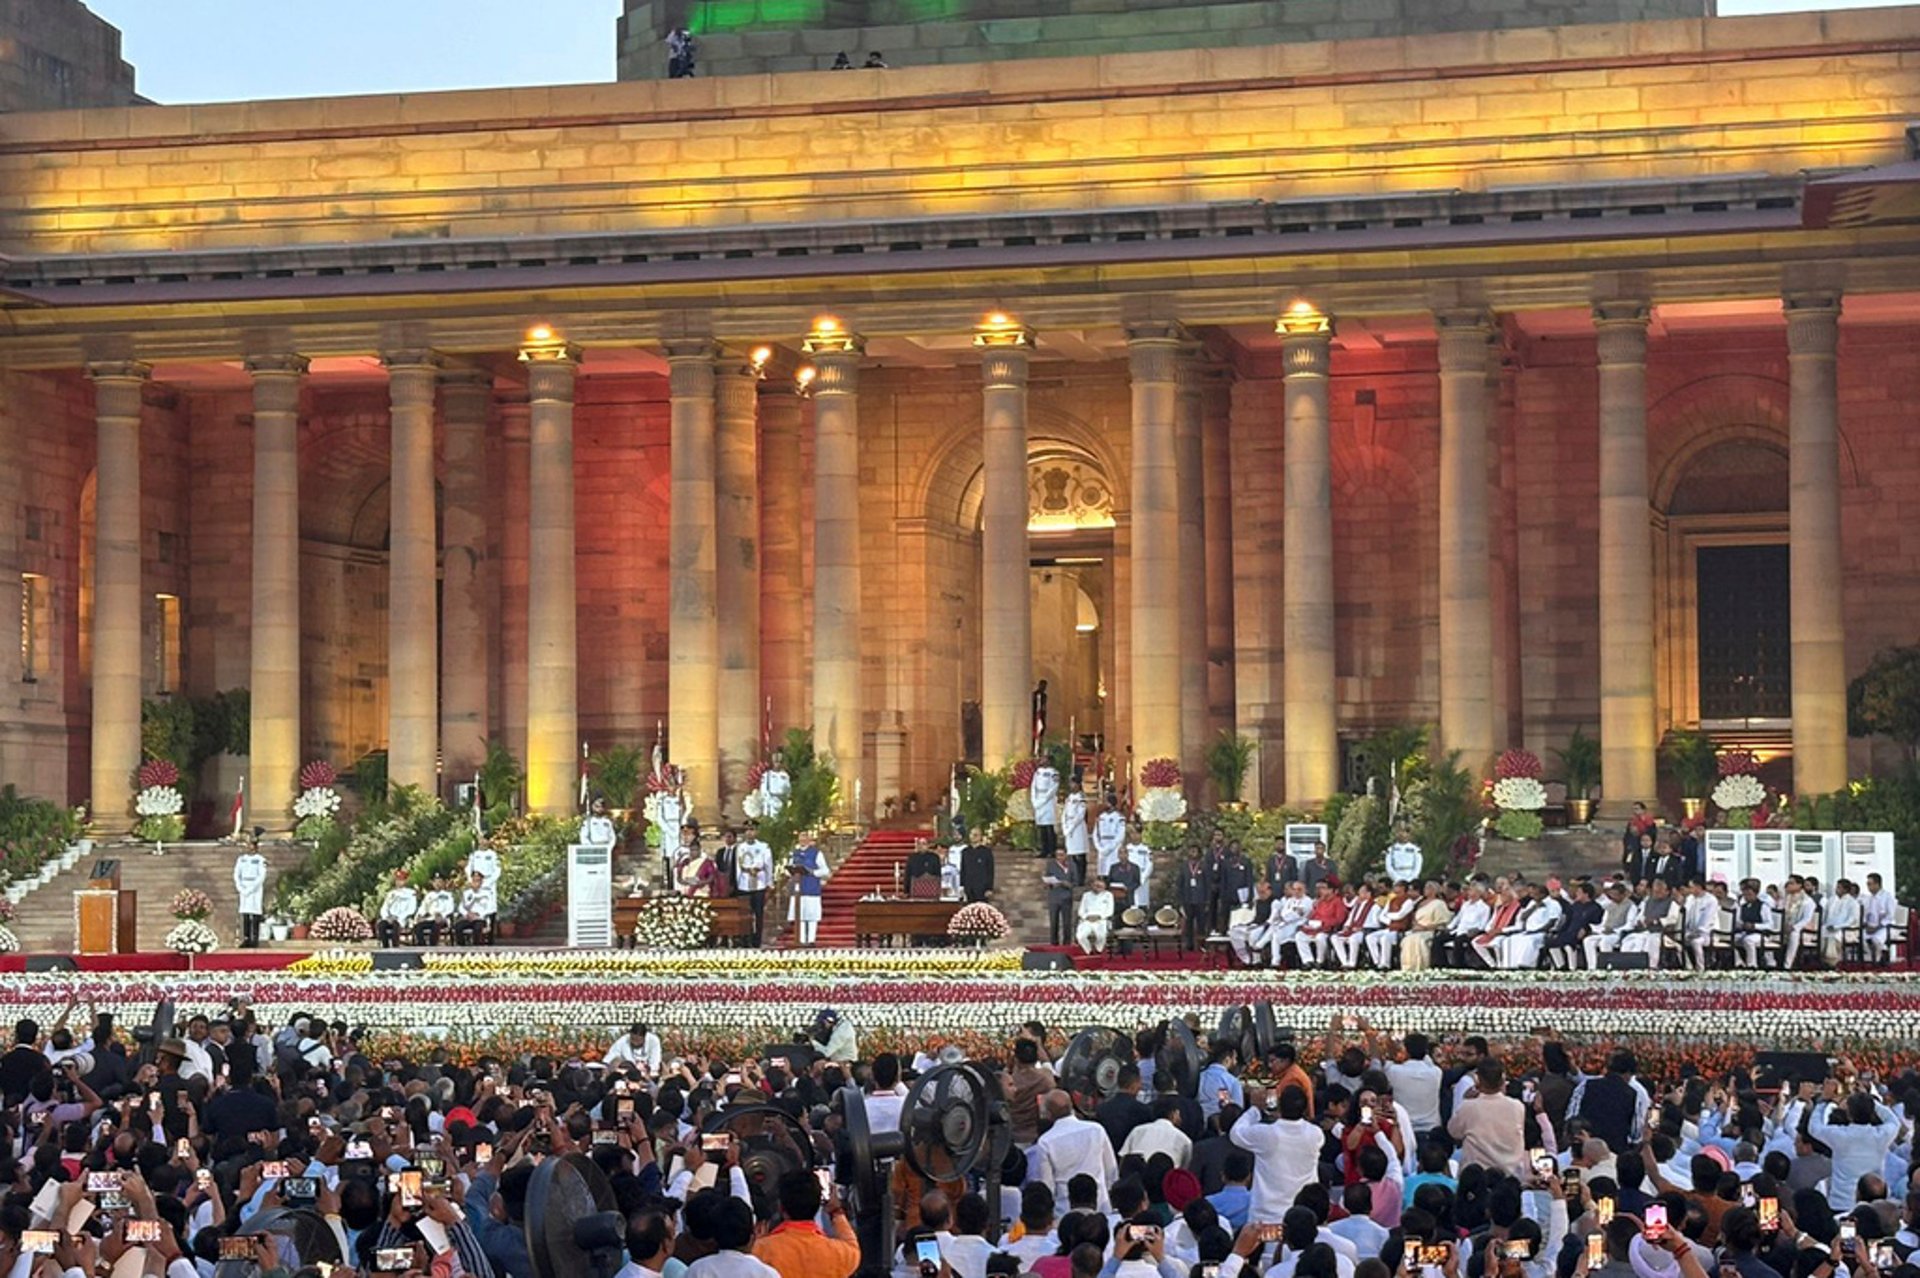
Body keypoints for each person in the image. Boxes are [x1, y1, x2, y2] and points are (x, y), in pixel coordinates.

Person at [752, 1169, 860, 1278]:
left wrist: (755, 1243)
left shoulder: (762, 1250)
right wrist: (836, 1212)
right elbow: (852, 1246)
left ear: (781, 1207)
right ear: (818, 1205)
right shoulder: (839, 1254)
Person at [735, 821, 774, 944]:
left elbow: (768, 865)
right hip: (744, 883)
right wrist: (737, 882)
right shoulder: (740, 847)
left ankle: (757, 939)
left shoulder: (763, 846)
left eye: (752, 830)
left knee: (758, 913)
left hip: (759, 882)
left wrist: (769, 882)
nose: (749, 832)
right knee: (745, 913)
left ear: (756, 832)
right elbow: (737, 866)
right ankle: (745, 938)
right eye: (747, 830)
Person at [787, 831, 828, 946]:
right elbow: (789, 869)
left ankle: (811, 940)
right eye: (801, 837)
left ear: (809, 840)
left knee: (811, 915)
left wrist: (813, 872)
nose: (803, 840)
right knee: (800, 915)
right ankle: (800, 940)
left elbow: (825, 871)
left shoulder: (816, 853)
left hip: (811, 887)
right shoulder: (794, 853)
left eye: (806, 838)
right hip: (798, 888)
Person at [233, 832, 268, 949]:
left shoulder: (260, 860)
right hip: (244, 887)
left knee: (255, 913)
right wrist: (240, 887)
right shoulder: (241, 859)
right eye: (248, 845)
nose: (249, 847)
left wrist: (251, 888)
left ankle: (254, 938)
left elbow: (261, 876)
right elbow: (236, 874)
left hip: (255, 889)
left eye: (252, 845)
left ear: (256, 846)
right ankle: (247, 938)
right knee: (245, 913)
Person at [1820, 878, 1862, 967]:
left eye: (1838, 887)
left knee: (1835, 934)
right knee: (1822, 930)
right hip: (1830, 927)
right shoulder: (1831, 900)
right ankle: (1824, 960)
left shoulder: (1852, 903)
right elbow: (1825, 915)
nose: (1836, 889)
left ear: (1845, 890)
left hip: (1847, 930)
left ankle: (1833, 962)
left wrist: (1837, 926)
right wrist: (1826, 925)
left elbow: (1852, 920)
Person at [375, 868, 419, 948]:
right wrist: (386, 917)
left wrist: (399, 917)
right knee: (381, 925)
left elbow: (411, 909)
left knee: (396, 925)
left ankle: (396, 947)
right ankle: (385, 947)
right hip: (390, 918)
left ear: (405, 881)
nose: (399, 882)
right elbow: (384, 907)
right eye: (397, 880)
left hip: (402, 919)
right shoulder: (391, 893)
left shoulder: (410, 893)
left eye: (401, 880)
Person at [454, 869, 496, 945]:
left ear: (481, 882)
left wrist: (478, 915)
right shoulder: (467, 893)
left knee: (477, 928)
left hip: (480, 919)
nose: (475, 883)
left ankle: (476, 949)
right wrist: (467, 914)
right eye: (474, 880)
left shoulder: (487, 894)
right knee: (458, 927)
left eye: (478, 881)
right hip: (468, 917)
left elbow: (490, 908)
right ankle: (462, 948)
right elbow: (461, 907)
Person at [1043, 848, 1076, 947]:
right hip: (1054, 897)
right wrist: (1049, 884)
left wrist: (1067, 884)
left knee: (1067, 922)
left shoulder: (1072, 866)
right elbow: (1047, 880)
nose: (1059, 857)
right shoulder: (1051, 866)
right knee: (1054, 922)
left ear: (1066, 855)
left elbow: (1075, 882)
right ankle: (1054, 943)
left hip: (1066, 897)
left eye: (1062, 855)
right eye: (1057, 855)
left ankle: (1067, 943)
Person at [1861, 872, 1896, 963]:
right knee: (1861, 938)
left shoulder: (1887, 897)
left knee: (1875, 940)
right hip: (1871, 926)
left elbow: (1890, 916)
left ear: (1877, 884)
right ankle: (1877, 956)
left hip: (1884, 927)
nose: (1868, 887)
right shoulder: (1868, 898)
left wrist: (1877, 927)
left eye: (1870, 884)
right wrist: (1866, 924)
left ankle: (1880, 957)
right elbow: (1865, 914)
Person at [1075, 876, 1115, 955]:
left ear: (1104, 886)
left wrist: (1099, 916)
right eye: (1096, 886)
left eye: (1100, 886)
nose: (1098, 888)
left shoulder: (1108, 895)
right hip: (1087, 920)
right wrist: (1086, 917)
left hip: (1101, 920)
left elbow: (1110, 911)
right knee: (1080, 936)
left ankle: (1098, 950)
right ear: (1092, 886)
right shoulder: (1086, 895)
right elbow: (1081, 911)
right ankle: (1089, 951)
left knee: (1101, 936)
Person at [414, 873, 456, 946]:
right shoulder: (429, 895)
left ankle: (432, 946)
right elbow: (423, 907)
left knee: (436, 925)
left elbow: (450, 908)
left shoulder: (448, 895)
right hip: (430, 918)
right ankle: (422, 946)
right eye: (435, 882)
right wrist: (419, 915)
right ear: (433, 883)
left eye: (440, 882)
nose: (437, 884)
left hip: (443, 919)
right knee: (418, 926)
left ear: (443, 883)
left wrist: (442, 915)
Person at [1032, 760, 1062, 861]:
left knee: (1049, 826)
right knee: (1042, 827)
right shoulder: (1037, 772)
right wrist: (1034, 800)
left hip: (1048, 801)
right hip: (1038, 799)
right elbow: (1033, 786)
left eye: (1045, 759)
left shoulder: (1054, 773)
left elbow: (1053, 788)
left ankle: (1052, 850)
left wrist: (1044, 799)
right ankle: (1044, 850)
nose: (1042, 761)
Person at [1062, 789, 1090, 885]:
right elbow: (1064, 812)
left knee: (1080, 855)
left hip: (1077, 828)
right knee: (1071, 855)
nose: (1071, 786)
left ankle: (1081, 879)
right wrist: (1065, 826)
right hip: (1068, 826)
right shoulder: (1069, 797)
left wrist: (1071, 827)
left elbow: (1080, 815)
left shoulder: (1081, 797)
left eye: (1073, 783)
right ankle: (1073, 877)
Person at [1094, 802, 1128, 878]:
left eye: (1108, 803)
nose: (1107, 805)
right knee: (1102, 870)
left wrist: (1110, 847)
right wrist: (1098, 846)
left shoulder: (1119, 817)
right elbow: (1095, 833)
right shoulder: (1101, 816)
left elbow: (1120, 835)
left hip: (1114, 846)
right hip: (1102, 845)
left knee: (1113, 868)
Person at [959, 836, 996, 904]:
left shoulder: (986, 852)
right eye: (972, 834)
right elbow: (963, 869)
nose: (973, 837)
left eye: (976, 834)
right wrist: (962, 885)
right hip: (969, 887)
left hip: (982, 888)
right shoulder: (965, 851)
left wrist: (989, 888)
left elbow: (990, 870)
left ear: (980, 836)